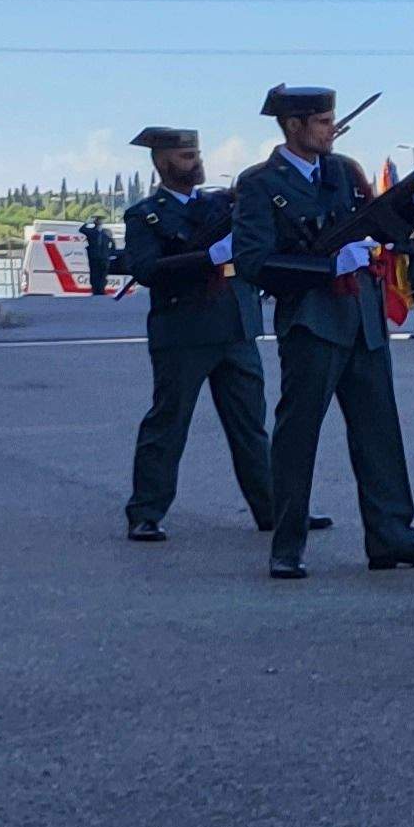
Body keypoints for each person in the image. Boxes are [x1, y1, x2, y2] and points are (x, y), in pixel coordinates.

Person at [234, 83, 414, 580]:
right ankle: (287, 545)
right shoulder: (259, 184)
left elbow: (383, 227)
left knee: (380, 434)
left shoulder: (344, 172)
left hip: (364, 319)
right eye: (323, 121)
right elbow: (253, 262)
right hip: (313, 323)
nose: (333, 129)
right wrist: (326, 267)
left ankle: (393, 536)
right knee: (298, 437)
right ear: (294, 126)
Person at [120, 125, 284, 543]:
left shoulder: (220, 205)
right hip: (184, 332)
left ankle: (274, 510)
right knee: (169, 422)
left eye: (196, 153)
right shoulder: (145, 215)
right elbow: (146, 269)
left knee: (251, 426)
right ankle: (146, 512)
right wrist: (206, 257)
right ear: (162, 162)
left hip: (235, 327)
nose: (196, 161)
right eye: (186, 155)